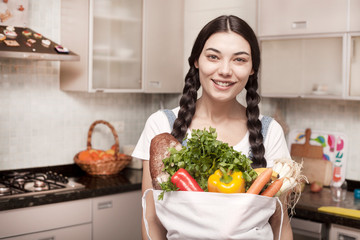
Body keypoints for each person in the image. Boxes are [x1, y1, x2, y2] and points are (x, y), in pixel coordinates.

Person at [132, 15, 293, 240]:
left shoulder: (270, 131)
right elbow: (151, 218)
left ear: (252, 68)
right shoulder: (161, 126)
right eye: (213, 57)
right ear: (197, 60)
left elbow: (279, 222)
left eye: (239, 60)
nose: (225, 70)